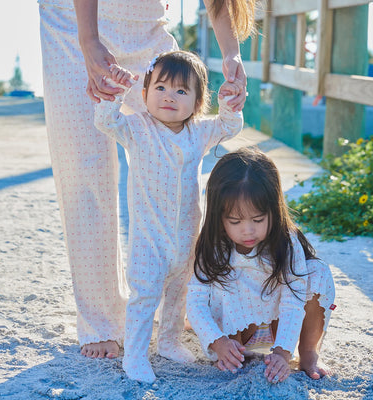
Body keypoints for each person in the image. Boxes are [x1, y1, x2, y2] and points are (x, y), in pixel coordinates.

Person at [39, 0, 255, 360]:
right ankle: (102, 321)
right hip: (72, 21)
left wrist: (232, 54)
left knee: (176, 151)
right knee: (85, 171)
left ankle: (183, 304)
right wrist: (89, 40)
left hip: (147, 26)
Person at [93, 50, 244, 382]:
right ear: (144, 94)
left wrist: (230, 102)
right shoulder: (137, 128)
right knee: (145, 293)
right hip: (149, 236)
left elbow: (229, 125)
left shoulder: (199, 132)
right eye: (160, 88)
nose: (169, 97)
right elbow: (105, 121)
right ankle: (135, 353)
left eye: (181, 91)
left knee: (181, 289)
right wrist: (115, 94)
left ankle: (169, 341)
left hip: (188, 234)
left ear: (197, 102)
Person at [186, 148, 336, 383]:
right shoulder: (214, 246)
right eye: (235, 221)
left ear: (274, 211)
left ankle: (308, 353)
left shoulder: (287, 242)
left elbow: (293, 300)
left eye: (258, 220)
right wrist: (219, 342)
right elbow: (195, 301)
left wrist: (283, 353)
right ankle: (232, 355)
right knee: (224, 281)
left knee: (317, 272)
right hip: (235, 337)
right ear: (218, 215)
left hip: (279, 329)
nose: (248, 230)